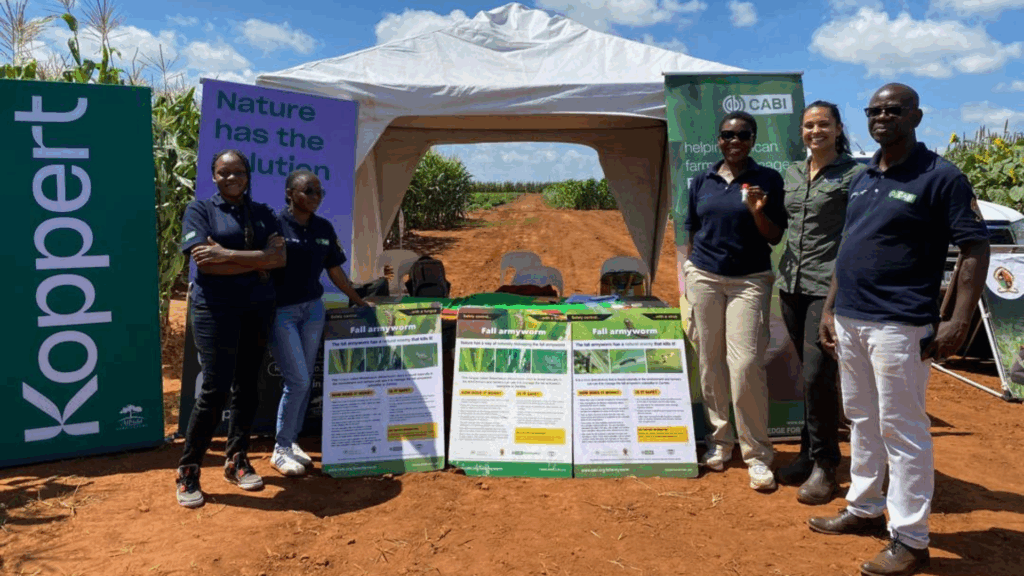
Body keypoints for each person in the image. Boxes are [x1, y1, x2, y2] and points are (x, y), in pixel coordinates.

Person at [810, 84, 989, 576]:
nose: (882, 116)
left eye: (893, 109)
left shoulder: (941, 177)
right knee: (862, 419)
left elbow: (975, 247)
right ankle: (865, 507)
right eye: (874, 110)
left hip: (900, 324)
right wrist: (830, 308)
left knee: (902, 429)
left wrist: (957, 319)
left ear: (916, 116)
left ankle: (910, 539)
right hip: (851, 318)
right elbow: (849, 246)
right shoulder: (865, 175)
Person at [175, 149, 287, 508]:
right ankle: (189, 469)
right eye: (224, 172)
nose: (231, 178)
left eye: (238, 172)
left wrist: (227, 255)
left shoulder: (264, 213)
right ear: (214, 176)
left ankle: (236, 460)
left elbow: (280, 258)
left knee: (248, 386)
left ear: (248, 176)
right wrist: (258, 262)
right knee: (215, 389)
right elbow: (206, 265)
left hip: (257, 308)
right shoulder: (200, 211)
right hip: (215, 310)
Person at [682, 111, 787, 491]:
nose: (735, 141)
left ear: (753, 140)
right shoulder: (702, 181)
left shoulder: (768, 180)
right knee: (710, 362)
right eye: (728, 134)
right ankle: (720, 442)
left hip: (749, 281)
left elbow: (774, 236)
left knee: (744, 365)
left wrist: (757, 212)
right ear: (719, 140)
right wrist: (691, 272)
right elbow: (692, 229)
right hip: (705, 277)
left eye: (743, 135)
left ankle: (757, 454)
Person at [775, 101, 865, 505]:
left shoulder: (854, 175)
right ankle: (807, 454)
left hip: (827, 289)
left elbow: (855, 235)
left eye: (824, 124)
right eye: (809, 125)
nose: (816, 131)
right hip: (790, 286)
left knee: (818, 377)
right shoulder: (793, 173)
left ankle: (827, 466)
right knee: (807, 376)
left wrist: (835, 296)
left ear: (838, 128)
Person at [269, 169, 370, 476]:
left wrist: (358, 300)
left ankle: (292, 441)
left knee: (303, 380)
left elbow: (334, 270)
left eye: (319, 192)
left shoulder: (323, 227)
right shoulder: (273, 225)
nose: (315, 197)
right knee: (298, 381)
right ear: (290, 193)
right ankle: (280, 449)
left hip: (313, 310)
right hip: (281, 312)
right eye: (308, 191)